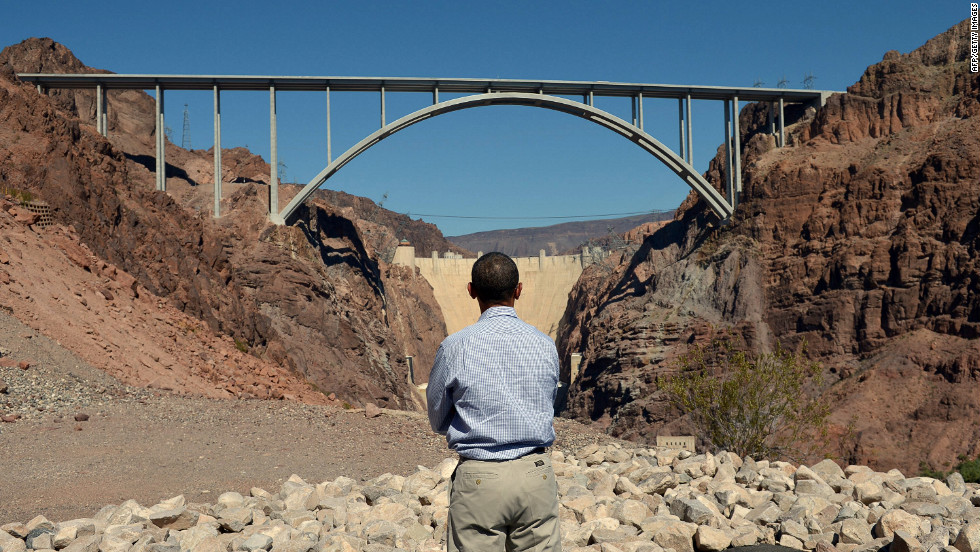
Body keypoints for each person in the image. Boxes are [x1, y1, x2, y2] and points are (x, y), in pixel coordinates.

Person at [427, 252, 562, 552]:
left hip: (478, 481)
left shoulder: (454, 347)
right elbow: (547, 404)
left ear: (471, 290)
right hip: (535, 474)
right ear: (519, 290)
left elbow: (437, 419)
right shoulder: (544, 344)